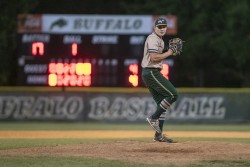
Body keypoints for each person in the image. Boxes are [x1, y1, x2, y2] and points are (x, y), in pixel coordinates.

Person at [141, 17, 178, 143]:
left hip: (151, 72)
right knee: (173, 94)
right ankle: (153, 118)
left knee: (161, 103)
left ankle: (158, 135)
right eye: (159, 27)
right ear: (154, 28)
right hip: (151, 71)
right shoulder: (152, 39)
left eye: (164, 27)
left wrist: (168, 51)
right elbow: (154, 57)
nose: (162, 29)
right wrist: (170, 52)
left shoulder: (160, 41)